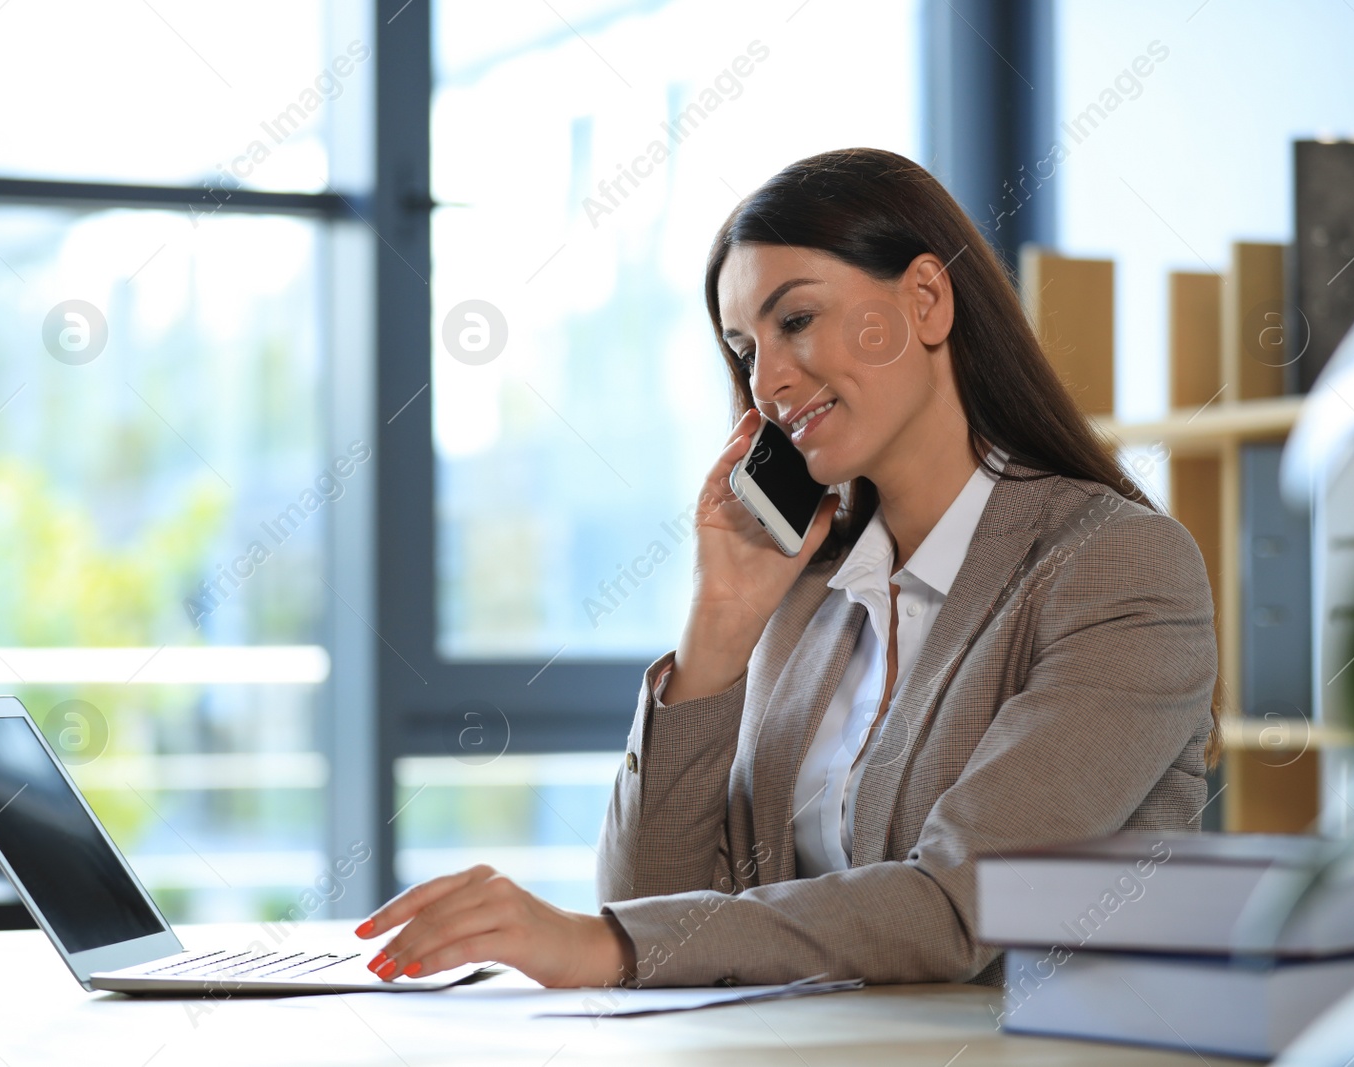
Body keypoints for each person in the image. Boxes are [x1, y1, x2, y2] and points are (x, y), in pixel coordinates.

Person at [353, 147, 1218, 990]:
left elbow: (966, 903)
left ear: (925, 299)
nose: (767, 381)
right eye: (743, 347)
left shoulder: (1116, 566)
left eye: (795, 320)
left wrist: (599, 944)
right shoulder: (808, 600)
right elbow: (655, 910)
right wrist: (720, 625)